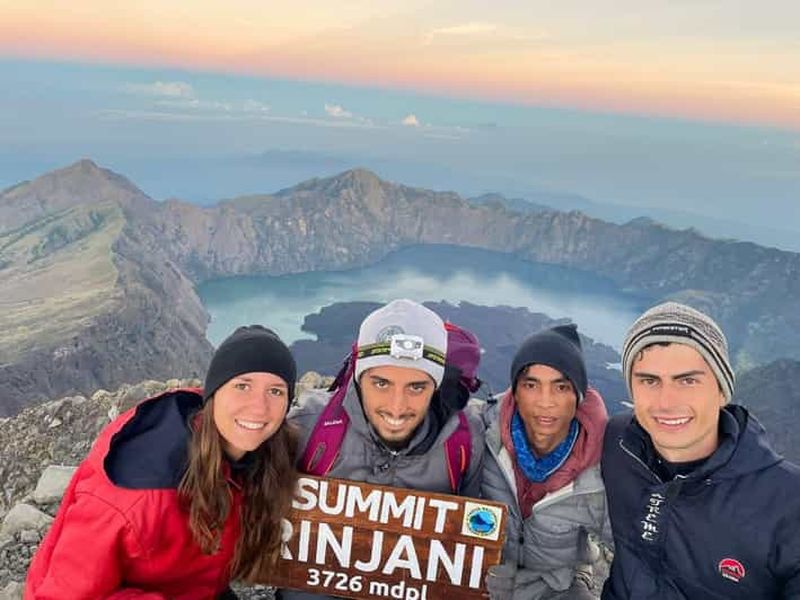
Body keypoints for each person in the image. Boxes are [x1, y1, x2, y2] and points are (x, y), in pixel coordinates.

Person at [25, 325, 299, 599]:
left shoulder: (261, 453)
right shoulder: (136, 492)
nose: (259, 407)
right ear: (214, 394)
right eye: (242, 386)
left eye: (276, 391)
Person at [279, 299, 485, 600]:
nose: (397, 407)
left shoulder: (464, 442)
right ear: (360, 379)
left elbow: (470, 545)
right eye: (381, 383)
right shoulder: (307, 428)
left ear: (437, 386)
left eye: (416, 387)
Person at [602, 302, 800, 599]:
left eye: (687, 380)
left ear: (722, 390)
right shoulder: (618, 443)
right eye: (649, 380)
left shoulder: (788, 503)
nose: (666, 402)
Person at [481, 324, 611, 600]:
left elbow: (634, 547)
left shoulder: (600, 462)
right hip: (485, 580)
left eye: (561, 386)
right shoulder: (485, 435)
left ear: (578, 396)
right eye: (531, 385)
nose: (545, 401)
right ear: (515, 392)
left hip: (557, 586)